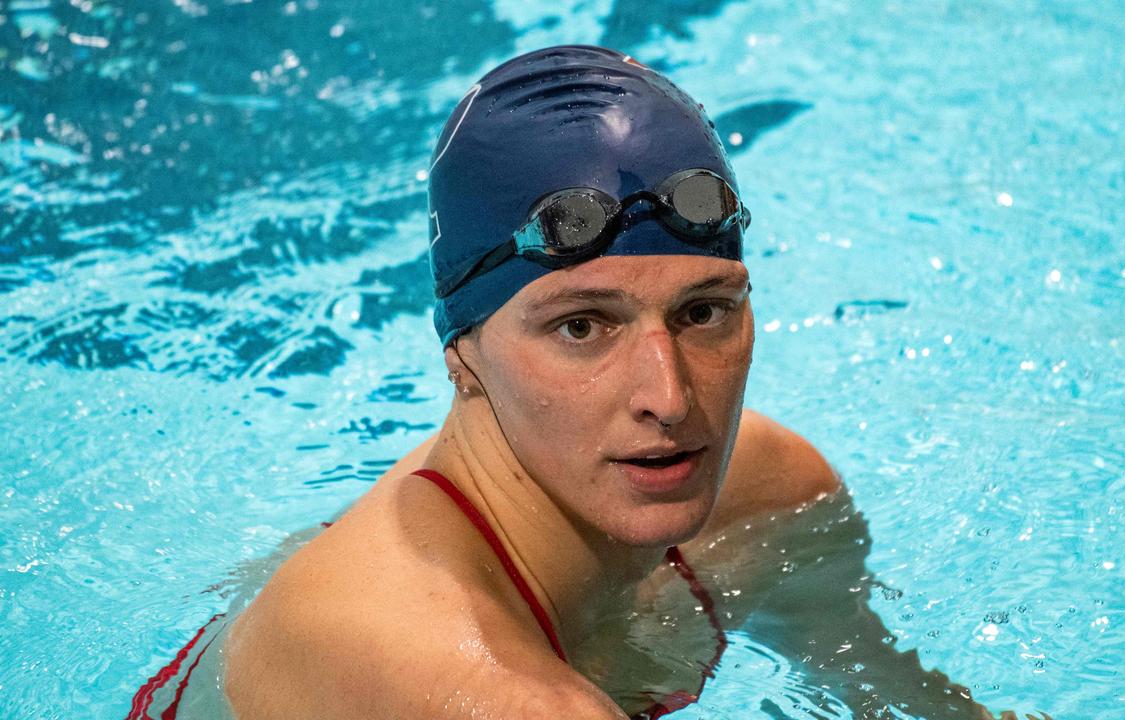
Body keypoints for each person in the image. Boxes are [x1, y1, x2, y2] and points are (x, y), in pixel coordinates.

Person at [220, 45, 1007, 719]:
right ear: (462, 355)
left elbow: (900, 702)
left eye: (703, 313)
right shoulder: (451, 680)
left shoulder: (771, 499)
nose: (668, 399)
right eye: (581, 326)